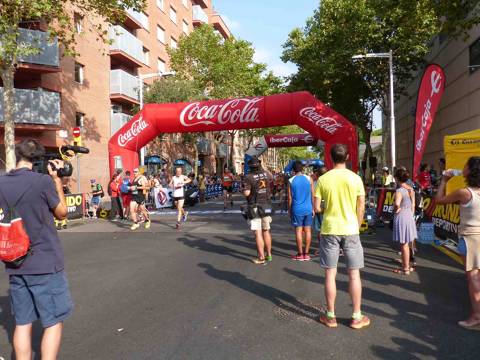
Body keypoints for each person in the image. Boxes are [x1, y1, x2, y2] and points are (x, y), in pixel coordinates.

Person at [0, 139, 73, 359]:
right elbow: (61, 212)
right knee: (52, 321)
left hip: (14, 260)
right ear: (38, 159)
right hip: (44, 261)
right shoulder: (42, 182)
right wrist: (57, 181)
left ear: (19, 154)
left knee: (22, 323)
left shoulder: (1, 182)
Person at [314, 144, 370, 330]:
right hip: (351, 228)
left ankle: (330, 316)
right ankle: (356, 316)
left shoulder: (323, 179)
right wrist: (357, 223)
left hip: (330, 228)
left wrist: (326, 206)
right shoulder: (355, 179)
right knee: (354, 274)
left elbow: (317, 208)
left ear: (330, 158)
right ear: (347, 157)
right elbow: (361, 206)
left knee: (330, 272)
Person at [435, 157, 480, 330]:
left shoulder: (465, 193)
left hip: (470, 239)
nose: (463, 167)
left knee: (473, 278)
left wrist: (444, 180)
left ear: (470, 171)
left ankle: (476, 317)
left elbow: (439, 200)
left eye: (466, 165)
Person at [243, 157, 273, 265]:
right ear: (260, 164)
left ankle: (261, 257)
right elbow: (271, 178)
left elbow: (246, 193)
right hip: (266, 204)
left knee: (258, 232)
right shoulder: (267, 174)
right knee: (266, 230)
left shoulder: (248, 177)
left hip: (254, 206)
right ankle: (269, 254)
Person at [288, 161, 315, 261]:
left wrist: (289, 210)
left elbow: (290, 198)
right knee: (308, 230)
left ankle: (300, 254)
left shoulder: (291, 180)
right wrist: (313, 208)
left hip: (297, 209)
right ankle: (306, 254)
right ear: (302, 169)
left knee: (298, 231)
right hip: (308, 208)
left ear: (293, 170)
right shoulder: (309, 179)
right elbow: (313, 195)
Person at [392, 168, 417, 275]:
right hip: (409, 216)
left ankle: (405, 268)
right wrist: (411, 214)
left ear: (396, 178)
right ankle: (406, 266)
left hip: (402, 216)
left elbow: (397, 204)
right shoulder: (411, 189)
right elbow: (413, 205)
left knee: (404, 245)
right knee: (408, 243)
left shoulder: (399, 191)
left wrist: (396, 208)